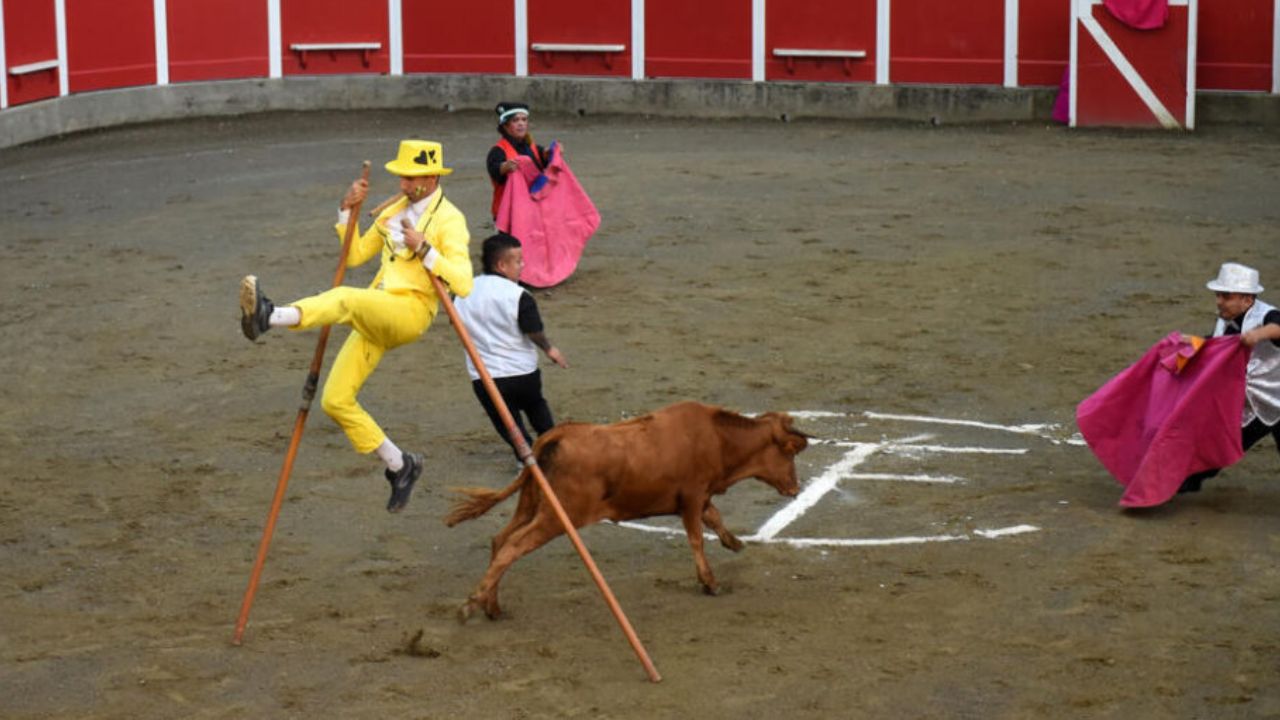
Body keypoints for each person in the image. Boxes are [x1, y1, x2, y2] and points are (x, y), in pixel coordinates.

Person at [238, 139, 473, 512]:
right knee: (335, 400)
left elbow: (463, 282)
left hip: (410, 312)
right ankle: (400, 463)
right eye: (399, 176)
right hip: (378, 307)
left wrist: (427, 249)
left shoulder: (450, 220)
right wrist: (346, 212)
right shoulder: (392, 210)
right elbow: (355, 255)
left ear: (430, 178)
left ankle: (269, 316)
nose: (401, 184)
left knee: (345, 299)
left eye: (409, 178)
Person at [454, 232, 568, 458]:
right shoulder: (518, 296)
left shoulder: (462, 291)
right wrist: (549, 349)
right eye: (518, 261)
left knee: (507, 422)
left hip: (485, 376)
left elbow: (455, 320)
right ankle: (553, 451)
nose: (522, 266)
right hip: (522, 371)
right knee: (536, 407)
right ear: (501, 265)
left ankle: (524, 458)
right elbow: (532, 330)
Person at [1179, 262, 1280, 493]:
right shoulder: (1226, 319)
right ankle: (1184, 482)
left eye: (1226, 296)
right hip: (1253, 403)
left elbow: (1278, 327)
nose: (1219, 301)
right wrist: (1194, 343)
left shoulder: (1266, 315)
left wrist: (1258, 334)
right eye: (1218, 295)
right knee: (1220, 445)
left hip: (1275, 396)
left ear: (1247, 299)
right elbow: (1217, 346)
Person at [486, 102, 547, 219]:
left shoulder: (533, 147)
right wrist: (504, 167)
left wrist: (552, 153)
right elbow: (495, 170)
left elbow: (546, 164)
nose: (521, 124)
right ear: (505, 125)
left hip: (531, 211)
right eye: (515, 120)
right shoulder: (497, 151)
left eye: (524, 120)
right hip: (507, 214)